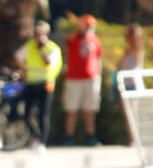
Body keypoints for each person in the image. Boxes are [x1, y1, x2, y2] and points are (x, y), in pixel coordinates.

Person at [15, 21, 62, 153]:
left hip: (46, 83)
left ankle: (42, 142)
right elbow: (18, 56)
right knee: (27, 114)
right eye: (36, 34)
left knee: (43, 114)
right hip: (31, 82)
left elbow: (48, 63)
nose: (38, 37)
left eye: (41, 34)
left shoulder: (52, 48)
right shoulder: (30, 46)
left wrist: (42, 48)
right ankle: (36, 136)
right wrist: (24, 69)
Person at [63, 14, 103, 146]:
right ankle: (68, 137)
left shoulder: (95, 39)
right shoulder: (74, 38)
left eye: (90, 25)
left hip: (91, 79)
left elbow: (98, 58)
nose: (88, 28)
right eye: (86, 25)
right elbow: (68, 41)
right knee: (72, 110)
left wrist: (99, 74)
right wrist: (78, 28)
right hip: (74, 78)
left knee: (90, 110)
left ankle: (91, 136)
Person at [114, 23, 144, 145]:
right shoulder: (127, 51)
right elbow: (119, 65)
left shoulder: (138, 49)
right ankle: (131, 138)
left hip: (134, 84)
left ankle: (135, 139)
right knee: (127, 113)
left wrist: (135, 34)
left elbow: (137, 43)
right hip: (124, 84)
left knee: (133, 112)